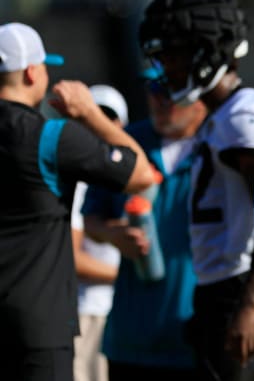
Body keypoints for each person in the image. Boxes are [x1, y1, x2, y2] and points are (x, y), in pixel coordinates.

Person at [0, 22, 153, 381]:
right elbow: (141, 174)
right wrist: (89, 112)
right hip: (39, 328)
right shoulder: (51, 136)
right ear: (31, 72)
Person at [138, 0, 254, 381]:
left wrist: (250, 305)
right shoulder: (220, 115)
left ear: (206, 51)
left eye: (173, 54)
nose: (166, 67)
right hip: (218, 290)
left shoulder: (240, 118)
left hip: (239, 291)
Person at [81, 77, 207, 380]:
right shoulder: (127, 144)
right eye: (154, 90)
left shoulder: (225, 146)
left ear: (202, 96)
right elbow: (90, 218)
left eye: (170, 90)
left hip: (200, 339)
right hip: (132, 339)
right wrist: (113, 234)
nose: (160, 100)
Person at [71, 84, 129, 381]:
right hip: (90, 313)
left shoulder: (132, 178)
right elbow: (73, 260)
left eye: (109, 118)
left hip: (124, 312)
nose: (101, 126)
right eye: (92, 117)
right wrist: (128, 275)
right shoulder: (76, 181)